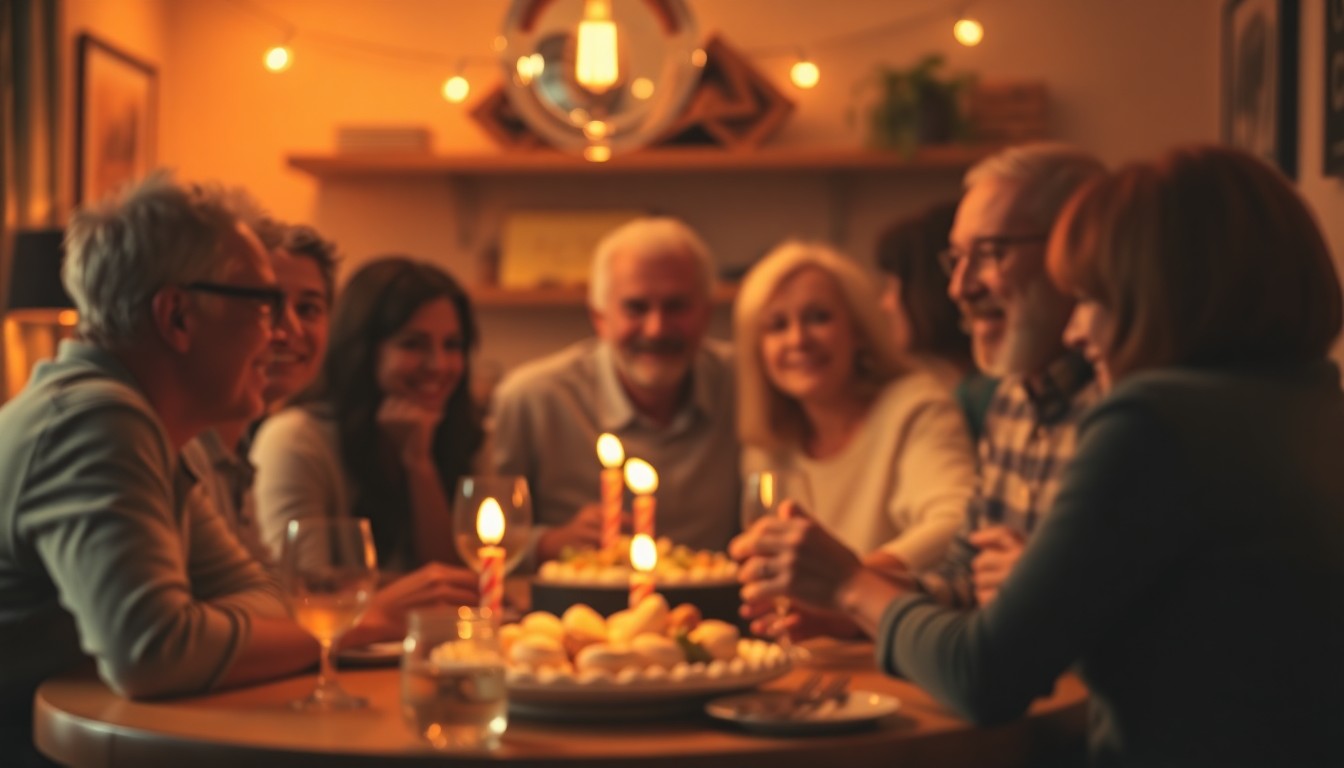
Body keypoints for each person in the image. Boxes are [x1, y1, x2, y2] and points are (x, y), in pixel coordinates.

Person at [733, 145, 1344, 768]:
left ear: (1174, 290)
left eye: (1096, 296)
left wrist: (850, 582)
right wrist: (870, 607)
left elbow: (985, 677)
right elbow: (986, 588)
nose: (1076, 332)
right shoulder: (1310, 395)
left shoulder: (1152, 422)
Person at [0, 175, 456, 767]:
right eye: (263, 306)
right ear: (178, 316)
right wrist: (362, 620)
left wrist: (205, 628)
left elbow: (263, 591)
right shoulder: (95, 421)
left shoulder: (139, 422)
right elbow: (152, 652)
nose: (279, 333)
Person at [916, 143, 1106, 609]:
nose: (960, 288)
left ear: (1076, 250)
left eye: (990, 253)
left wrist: (1048, 588)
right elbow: (966, 577)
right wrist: (859, 599)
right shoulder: (1012, 396)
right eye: (957, 258)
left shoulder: (1125, 406)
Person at [490, 217, 739, 564]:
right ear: (600, 317)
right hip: (574, 610)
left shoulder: (745, 385)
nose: (656, 328)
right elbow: (484, 538)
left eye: (676, 306)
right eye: (636, 308)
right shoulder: (532, 399)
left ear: (707, 313)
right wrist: (550, 541)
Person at [734, 240, 973, 571]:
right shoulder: (770, 443)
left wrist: (848, 586)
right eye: (777, 325)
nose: (798, 340)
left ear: (858, 330)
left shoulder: (915, 407)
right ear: (757, 349)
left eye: (818, 317)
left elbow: (955, 521)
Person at [252, 256, 485, 571]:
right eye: (413, 344)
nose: (439, 365)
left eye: (453, 345)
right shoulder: (296, 441)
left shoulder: (468, 434)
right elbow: (302, 591)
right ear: (362, 349)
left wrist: (419, 464)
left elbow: (464, 579)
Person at [184, 220, 340, 566]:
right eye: (266, 305)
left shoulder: (236, 453)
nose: (289, 330)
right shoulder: (185, 450)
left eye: (309, 309)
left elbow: (256, 589)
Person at [875, 199, 996, 442]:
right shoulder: (959, 388)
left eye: (892, 285)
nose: (885, 303)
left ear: (927, 289)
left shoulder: (980, 399)